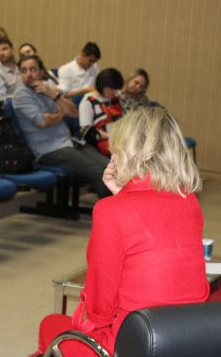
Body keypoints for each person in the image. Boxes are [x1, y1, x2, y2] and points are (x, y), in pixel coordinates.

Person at [33, 106, 209, 357]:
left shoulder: (111, 212)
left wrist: (119, 200)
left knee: (50, 324)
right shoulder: (188, 200)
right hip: (183, 339)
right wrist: (122, 194)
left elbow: (99, 310)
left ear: (126, 153)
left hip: (132, 344)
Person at [13, 54, 110, 198]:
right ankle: (110, 211)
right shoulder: (21, 95)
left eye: (32, 69)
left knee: (109, 166)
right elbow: (43, 121)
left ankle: (126, 207)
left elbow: (73, 113)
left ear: (41, 72)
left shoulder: (48, 89)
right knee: (99, 172)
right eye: (24, 70)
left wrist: (54, 96)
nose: (28, 74)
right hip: (49, 151)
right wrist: (60, 114)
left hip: (69, 143)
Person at [79, 68, 124, 155]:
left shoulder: (116, 98)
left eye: (116, 89)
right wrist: (109, 136)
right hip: (99, 143)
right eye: (113, 89)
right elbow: (86, 132)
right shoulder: (88, 101)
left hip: (119, 139)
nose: (115, 92)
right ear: (104, 87)